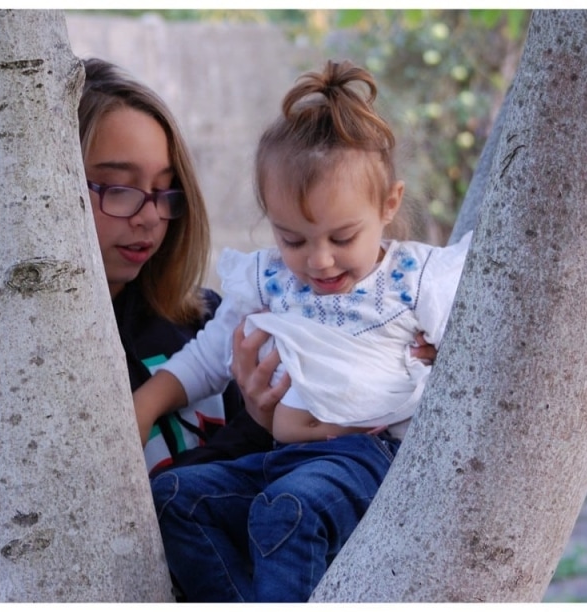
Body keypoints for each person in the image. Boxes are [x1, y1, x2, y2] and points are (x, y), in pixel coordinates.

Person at [137, 59, 472, 602]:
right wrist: (147, 404)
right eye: (293, 239)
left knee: (287, 510)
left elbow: (478, 369)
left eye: (342, 238)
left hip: (365, 463)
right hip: (280, 460)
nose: (318, 260)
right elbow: (209, 356)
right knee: (174, 496)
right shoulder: (268, 280)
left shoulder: (414, 280)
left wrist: (442, 357)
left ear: (389, 205)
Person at [77, 57, 276, 475]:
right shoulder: (43, 361)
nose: (150, 216)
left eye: (165, 190)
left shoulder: (211, 322)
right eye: (120, 188)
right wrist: (256, 427)